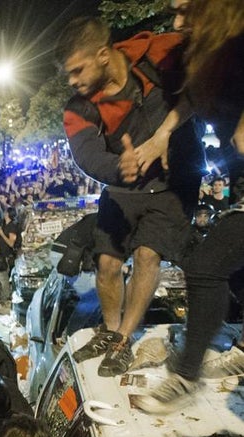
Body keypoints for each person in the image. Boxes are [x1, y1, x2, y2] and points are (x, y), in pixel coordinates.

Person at [57, 16, 201, 377]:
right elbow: (87, 156)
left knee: (147, 255)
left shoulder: (159, 53)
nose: (73, 82)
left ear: (104, 55)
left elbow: (210, 68)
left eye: (77, 70)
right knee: (106, 264)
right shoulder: (79, 107)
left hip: (173, 183)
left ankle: (123, 339)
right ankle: (108, 330)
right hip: (123, 185)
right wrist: (119, 168)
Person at [131, 0, 244, 411]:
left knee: (206, 266)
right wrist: (163, 134)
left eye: (186, 9)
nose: (178, 22)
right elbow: (193, 98)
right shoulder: (213, 51)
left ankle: (184, 379)